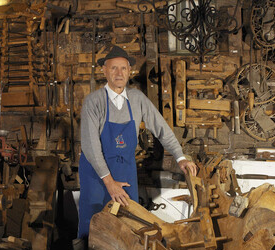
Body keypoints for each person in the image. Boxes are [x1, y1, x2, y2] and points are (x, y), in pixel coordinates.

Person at [77, 46, 196, 239]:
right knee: (93, 223)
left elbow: (161, 128)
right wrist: (109, 182)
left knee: (129, 221)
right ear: (104, 71)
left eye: (123, 68)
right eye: (114, 68)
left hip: (124, 169)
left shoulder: (137, 99)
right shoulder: (94, 101)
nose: (119, 73)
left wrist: (180, 156)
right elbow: (90, 146)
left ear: (129, 71)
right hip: (96, 174)